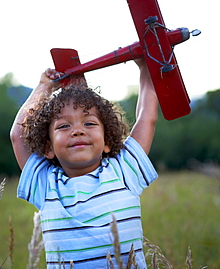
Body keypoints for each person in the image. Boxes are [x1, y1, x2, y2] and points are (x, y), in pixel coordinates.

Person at [10, 58, 158, 268]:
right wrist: (44, 86)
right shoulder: (45, 185)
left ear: (107, 141)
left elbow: (146, 117)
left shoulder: (124, 170)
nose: (78, 130)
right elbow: (18, 135)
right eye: (63, 126)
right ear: (48, 148)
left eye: (89, 123)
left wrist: (145, 67)